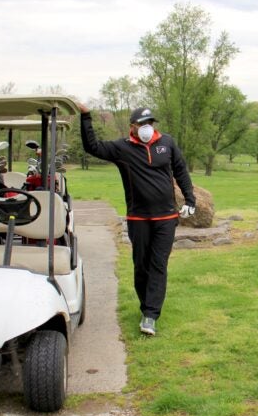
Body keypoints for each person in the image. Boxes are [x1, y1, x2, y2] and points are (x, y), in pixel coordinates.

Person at [79, 104, 196, 336]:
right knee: (141, 265)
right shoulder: (122, 148)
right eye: (142, 124)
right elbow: (92, 147)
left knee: (158, 265)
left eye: (150, 123)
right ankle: (145, 307)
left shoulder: (167, 143)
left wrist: (190, 200)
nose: (147, 128)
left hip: (167, 217)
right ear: (133, 127)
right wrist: (85, 117)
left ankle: (151, 315)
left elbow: (181, 171)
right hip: (138, 217)